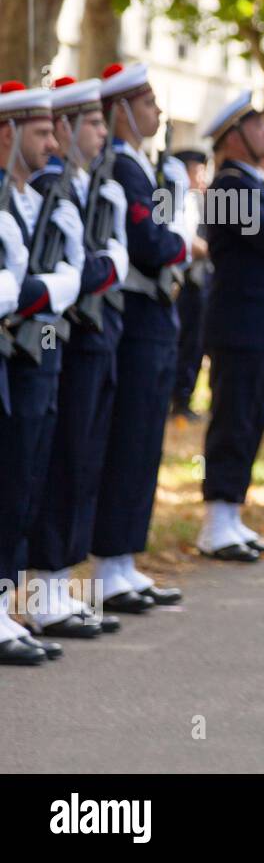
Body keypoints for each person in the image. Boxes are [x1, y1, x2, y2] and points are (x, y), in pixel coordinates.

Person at [24, 76, 129, 639]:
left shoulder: (89, 185)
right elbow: (84, 272)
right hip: (66, 336)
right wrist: (105, 263)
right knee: (60, 461)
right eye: (89, 122)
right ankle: (45, 590)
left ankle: (63, 583)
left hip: (95, 333)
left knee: (84, 459)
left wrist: (105, 262)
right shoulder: (49, 186)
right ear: (62, 130)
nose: (99, 131)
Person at [92, 62, 189, 615]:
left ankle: (124, 560)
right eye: (147, 102)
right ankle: (108, 565)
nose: (155, 111)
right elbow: (153, 244)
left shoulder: (145, 168)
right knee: (129, 437)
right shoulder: (123, 169)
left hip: (155, 314)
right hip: (136, 313)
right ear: (122, 109)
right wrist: (178, 243)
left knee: (147, 438)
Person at [0, 81, 84, 664]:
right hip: (14, 354)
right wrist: (44, 286)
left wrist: (65, 277)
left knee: (23, 482)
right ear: (6, 134)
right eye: (40, 131)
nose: (54, 142)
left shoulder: (34, 198)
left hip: (33, 353)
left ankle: (6, 605)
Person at [196, 90, 264, 560]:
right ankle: (216, 520)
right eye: (256, 127)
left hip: (260, 325)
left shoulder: (251, 184)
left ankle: (232, 516)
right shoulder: (228, 186)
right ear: (233, 137)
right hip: (239, 325)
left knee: (251, 419)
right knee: (233, 421)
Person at [170, 147, 210, 423]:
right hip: (184, 283)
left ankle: (185, 396)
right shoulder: (176, 198)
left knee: (195, 343)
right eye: (197, 170)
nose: (201, 176)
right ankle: (178, 398)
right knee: (184, 342)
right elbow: (186, 241)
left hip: (199, 283)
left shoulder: (200, 200)